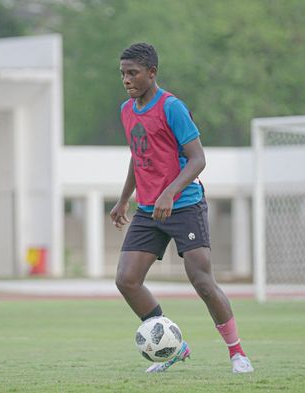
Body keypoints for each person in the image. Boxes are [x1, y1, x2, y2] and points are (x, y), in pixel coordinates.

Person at [110, 43, 254, 373]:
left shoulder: (171, 107)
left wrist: (170, 193)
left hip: (184, 204)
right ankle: (173, 347)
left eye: (132, 73)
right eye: (122, 74)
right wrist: (123, 199)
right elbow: (139, 154)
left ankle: (237, 353)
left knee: (202, 280)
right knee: (127, 280)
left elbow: (198, 158)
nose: (126, 80)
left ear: (152, 73)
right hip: (148, 209)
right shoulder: (126, 109)